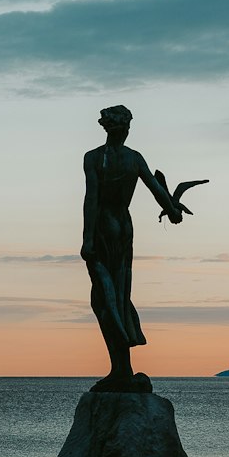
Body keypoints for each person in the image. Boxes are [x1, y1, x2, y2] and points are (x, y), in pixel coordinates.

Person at [81, 105, 188, 393]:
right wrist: (172, 209)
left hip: (104, 227)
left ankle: (120, 370)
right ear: (124, 129)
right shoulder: (134, 158)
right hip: (124, 227)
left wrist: (87, 239)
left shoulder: (93, 157)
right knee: (118, 293)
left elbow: (92, 199)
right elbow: (156, 189)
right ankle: (122, 369)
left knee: (104, 300)